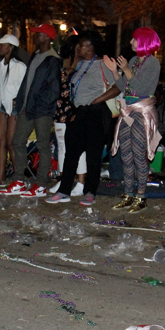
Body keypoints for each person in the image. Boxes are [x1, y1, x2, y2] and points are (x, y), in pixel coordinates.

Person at [46, 30, 117, 206]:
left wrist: (97, 100)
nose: (80, 47)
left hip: (95, 112)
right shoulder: (81, 64)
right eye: (80, 45)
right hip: (78, 112)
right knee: (71, 153)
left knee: (93, 154)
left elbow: (118, 86)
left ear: (93, 46)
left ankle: (90, 192)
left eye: (84, 45)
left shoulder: (103, 64)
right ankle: (64, 190)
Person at [104, 27, 162, 213]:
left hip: (141, 111)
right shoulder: (135, 61)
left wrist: (126, 70)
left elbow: (141, 88)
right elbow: (124, 87)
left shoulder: (152, 63)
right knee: (125, 152)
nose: (131, 42)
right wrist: (115, 72)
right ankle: (128, 194)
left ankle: (141, 196)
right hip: (128, 111)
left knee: (138, 153)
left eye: (134, 39)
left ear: (144, 41)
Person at [1, 24, 62, 198]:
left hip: (41, 110)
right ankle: (19, 180)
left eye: (38, 34)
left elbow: (53, 90)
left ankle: (41, 183)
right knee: (18, 141)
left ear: (47, 37)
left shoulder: (52, 59)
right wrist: (21, 101)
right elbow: (28, 83)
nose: (34, 37)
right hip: (28, 108)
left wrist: (39, 105)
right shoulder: (36, 56)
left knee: (43, 146)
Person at [49, 35, 87, 196]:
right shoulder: (61, 63)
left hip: (75, 110)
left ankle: (81, 182)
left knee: (78, 147)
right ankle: (64, 180)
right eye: (79, 46)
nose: (82, 49)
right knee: (62, 147)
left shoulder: (85, 64)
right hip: (60, 109)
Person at [0, 34, 26, 187]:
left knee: (11, 143)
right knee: (0, 142)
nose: (0, 47)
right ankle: (1, 177)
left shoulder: (20, 66)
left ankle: (18, 179)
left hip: (14, 108)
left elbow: (24, 89)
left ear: (11, 47)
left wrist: (18, 102)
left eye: (3, 45)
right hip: (2, 107)